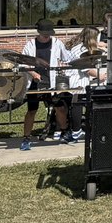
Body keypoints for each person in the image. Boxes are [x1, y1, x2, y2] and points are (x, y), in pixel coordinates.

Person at [19, 19, 72, 150]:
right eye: (44, 34)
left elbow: (67, 58)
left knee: (60, 108)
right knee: (32, 110)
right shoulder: (30, 44)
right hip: (35, 82)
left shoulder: (57, 43)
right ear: (39, 32)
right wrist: (33, 74)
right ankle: (26, 138)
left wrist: (63, 65)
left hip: (52, 81)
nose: (47, 36)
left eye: (48, 34)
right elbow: (22, 63)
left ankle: (65, 132)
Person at [60, 26, 105, 143]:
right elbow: (86, 68)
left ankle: (79, 129)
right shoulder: (79, 50)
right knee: (77, 104)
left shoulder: (80, 47)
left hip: (80, 79)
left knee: (80, 104)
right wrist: (100, 75)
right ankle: (76, 131)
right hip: (76, 80)